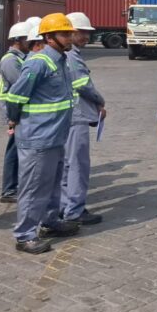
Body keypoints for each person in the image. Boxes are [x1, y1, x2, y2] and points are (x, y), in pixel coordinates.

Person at [4, 13, 80, 254]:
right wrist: (15, 119)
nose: (70, 37)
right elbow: (15, 97)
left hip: (56, 136)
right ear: (48, 37)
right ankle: (25, 235)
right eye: (64, 34)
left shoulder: (61, 60)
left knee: (52, 183)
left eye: (70, 33)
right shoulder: (38, 62)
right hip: (38, 137)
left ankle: (50, 221)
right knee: (34, 186)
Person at [61, 12, 105, 225]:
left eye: (88, 33)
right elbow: (82, 84)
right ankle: (75, 210)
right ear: (70, 32)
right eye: (83, 33)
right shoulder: (71, 56)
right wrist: (100, 101)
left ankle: (64, 206)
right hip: (76, 117)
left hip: (67, 116)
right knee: (78, 165)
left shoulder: (66, 54)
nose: (86, 37)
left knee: (67, 165)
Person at [0, 22, 31, 203]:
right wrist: (12, 118)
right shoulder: (10, 60)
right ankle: (9, 190)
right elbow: (21, 86)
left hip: (17, 110)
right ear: (18, 40)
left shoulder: (21, 58)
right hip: (13, 111)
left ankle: (14, 186)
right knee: (14, 149)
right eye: (28, 39)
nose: (31, 42)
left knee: (17, 148)